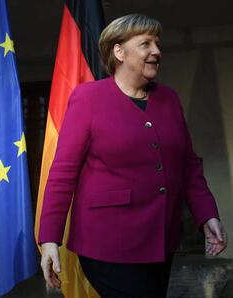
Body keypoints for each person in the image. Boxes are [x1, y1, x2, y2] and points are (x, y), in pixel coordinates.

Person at [38, 14, 227, 298]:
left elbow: (188, 166)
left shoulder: (169, 99)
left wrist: (207, 214)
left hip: (161, 241)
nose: (157, 51)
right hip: (106, 244)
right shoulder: (88, 98)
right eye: (146, 44)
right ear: (119, 51)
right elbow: (63, 173)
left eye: (158, 44)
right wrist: (50, 239)